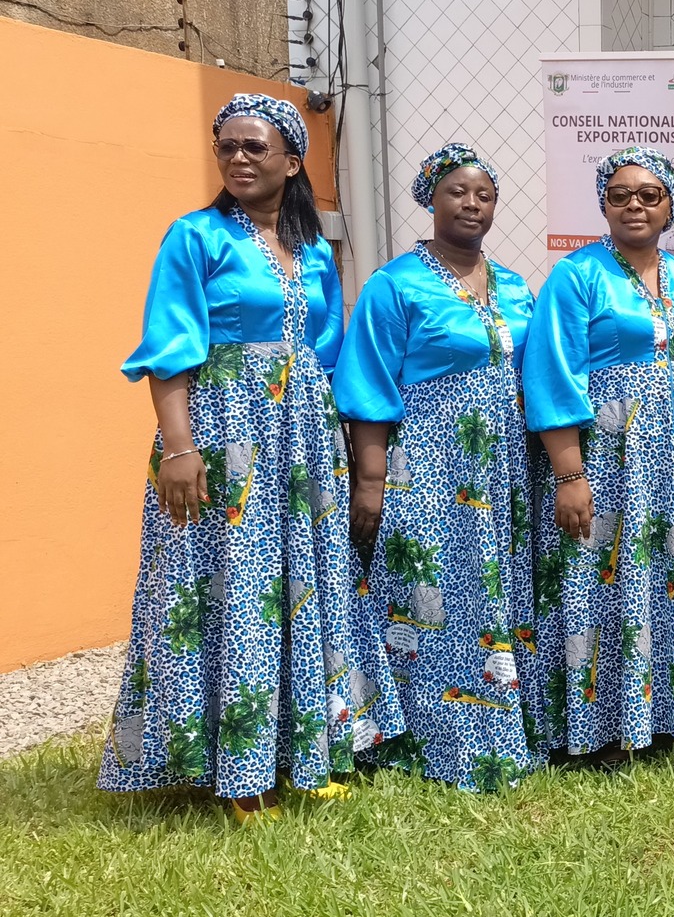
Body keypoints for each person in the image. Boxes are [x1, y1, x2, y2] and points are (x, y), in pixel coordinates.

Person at [101, 93, 402, 820]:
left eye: (254, 147)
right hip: (223, 434)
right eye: (226, 147)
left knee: (303, 587)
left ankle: (303, 747)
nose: (237, 158)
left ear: (292, 162)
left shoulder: (313, 252)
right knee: (235, 589)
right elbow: (169, 349)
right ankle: (238, 769)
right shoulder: (196, 237)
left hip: (304, 442)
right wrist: (179, 449)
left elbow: (325, 354)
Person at [524, 147, 674, 766]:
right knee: (606, 577)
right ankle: (602, 727)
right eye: (620, 195)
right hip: (610, 456)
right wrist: (570, 473)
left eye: (649, 195)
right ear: (603, 205)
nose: (635, 205)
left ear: (671, 205)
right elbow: (553, 374)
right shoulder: (577, 275)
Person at [334, 143, 536, 792]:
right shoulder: (395, 285)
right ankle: (429, 740)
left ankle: (505, 730)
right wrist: (370, 482)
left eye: (484, 194)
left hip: (503, 467)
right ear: (431, 199)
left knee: (495, 590)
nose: (471, 204)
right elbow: (368, 387)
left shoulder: (515, 286)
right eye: (456, 191)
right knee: (431, 596)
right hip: (428, 464)